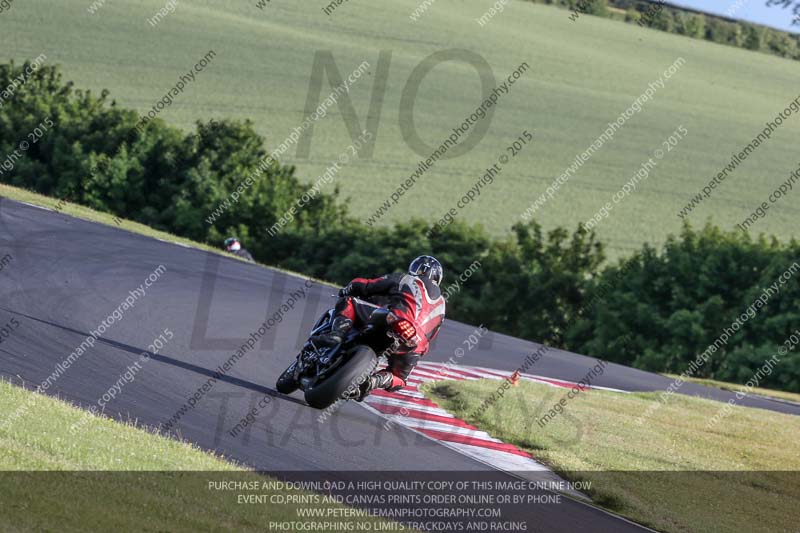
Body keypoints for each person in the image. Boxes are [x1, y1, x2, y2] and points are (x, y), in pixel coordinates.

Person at [312, 255, 446, 400]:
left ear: (417, 269)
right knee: (400, 379)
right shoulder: (442, 305)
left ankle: (337, 334)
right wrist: (417, 346)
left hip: (394, 320)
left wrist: (348, 289)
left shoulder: (405, 278)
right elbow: (431, 335)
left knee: (349, 301)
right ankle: (373, 382)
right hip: (414, 343)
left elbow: (367, 285)